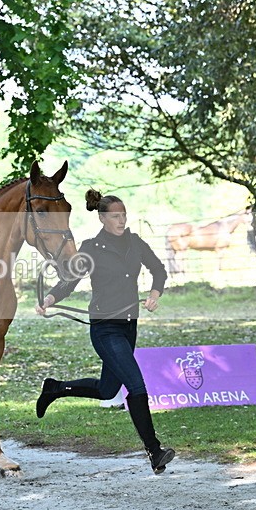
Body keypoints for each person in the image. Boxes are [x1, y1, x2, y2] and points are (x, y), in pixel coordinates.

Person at [35, 189, 176, 474]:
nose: (121, 220)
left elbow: (158, 269)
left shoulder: (135, 243)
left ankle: (55, 388)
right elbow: (70, 280)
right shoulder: (91, 248)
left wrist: (155, 293)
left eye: (123, 214)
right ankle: (154, 451)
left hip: (128, 326)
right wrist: (49, 298)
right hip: (104, 328)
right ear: (102, 218)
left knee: (107, 389)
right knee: (136, 386)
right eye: (115, 216)